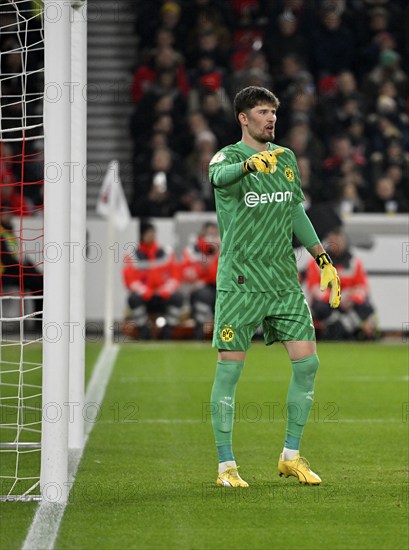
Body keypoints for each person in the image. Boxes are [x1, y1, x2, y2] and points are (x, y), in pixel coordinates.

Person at [208, 86, 341, 488]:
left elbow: (295, 211)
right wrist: (249, 167)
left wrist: (322, 259)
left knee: (309, 363)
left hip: (283, 281)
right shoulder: (228, 157)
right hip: (241, 282)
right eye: (263, 112)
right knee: (230, 371)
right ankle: (226, 467)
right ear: (243, 118)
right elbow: (218, 178)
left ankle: (291, 456)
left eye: (274, 113)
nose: (271, 119)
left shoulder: (286, 159)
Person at [305, 226, 379, 341]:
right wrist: (336, 298)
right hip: (327, 303)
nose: (337, 244)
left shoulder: (354, 262)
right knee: (320, 308)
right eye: (334, 240)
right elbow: (314, 288)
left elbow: (363, 287)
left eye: (339, 240)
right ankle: (338, 330)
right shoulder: (317, 262)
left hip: (349, 302)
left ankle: (345, 330)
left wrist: (351, 296)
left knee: (366, 307)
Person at [122, 221, 183, 340]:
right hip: (145, 297)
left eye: (153, 232)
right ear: (141, 235)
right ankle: (144, 331)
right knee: (133, 299)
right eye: (148, 233)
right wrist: (145, 291)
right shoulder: (132, 256)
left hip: (163, 296)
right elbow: (130, 280)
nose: (151, 235)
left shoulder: (166, 253)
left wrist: (165, 290)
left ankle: (167, 331)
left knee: (178, 297)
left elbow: (176, 275)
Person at [180, 221, 219, 339]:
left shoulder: (223, 249)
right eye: (209, 234)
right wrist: (204, 269)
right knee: (204, 297)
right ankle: (198, 336)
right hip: (200, 289)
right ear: (203, 233)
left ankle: (226, 339)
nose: (211, 237)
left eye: (214, 234)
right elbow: (188, 274)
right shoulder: (192, 250)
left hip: (218, 287)